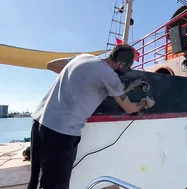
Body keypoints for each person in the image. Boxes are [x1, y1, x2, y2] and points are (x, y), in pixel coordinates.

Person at [27, 44, 155, 189]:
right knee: (55, 184)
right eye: (126, 68)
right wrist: (145, 103)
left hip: (38, 121)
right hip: (61, 131)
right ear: (122, 64)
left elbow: (51, 65)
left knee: (35, 179)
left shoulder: (84, 57)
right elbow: (129, 107)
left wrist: (78, 76)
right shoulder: (109, 76)